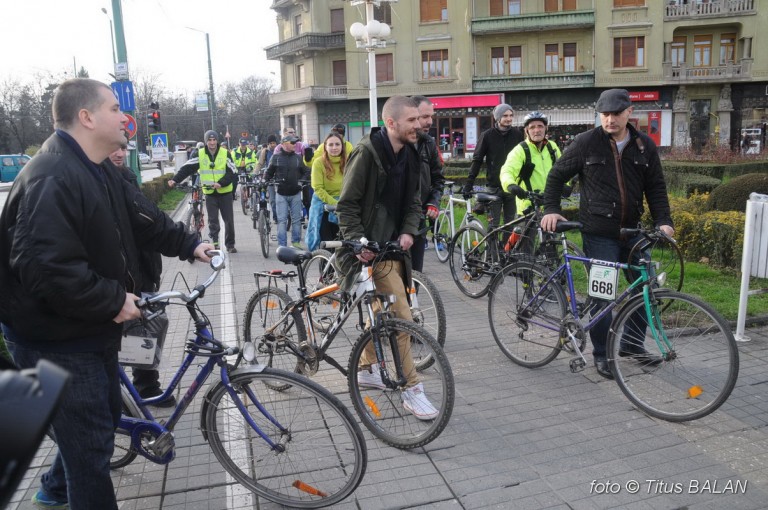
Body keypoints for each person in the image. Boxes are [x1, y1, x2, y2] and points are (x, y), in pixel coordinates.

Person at [0, 78, 213, 509]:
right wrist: (114, 301)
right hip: (54, 342)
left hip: (86, 329)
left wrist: (190, 244)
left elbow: (144, 218)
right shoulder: (52, 177)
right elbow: (47, 269)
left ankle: (53, 491)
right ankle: (67, 490)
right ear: (87, 117)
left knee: (97, 425)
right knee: (90, 453)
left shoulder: (98, 168)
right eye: (115, 108)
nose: (124, 117)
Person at [540, 88, 674, 379]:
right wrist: (551, 209)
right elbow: (556, 176)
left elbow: (656, 188)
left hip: (633, 231)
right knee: (604, 296)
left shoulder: (644, 146)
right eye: (605, 114)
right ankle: (601, 354)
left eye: (616, 114)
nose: (610, 119)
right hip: (599, 232)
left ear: (628, 113)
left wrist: (664, 220)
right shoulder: (585, 143)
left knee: (647, 288)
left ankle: (631, 344)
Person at [335, 95, 438, 420]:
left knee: (379, 315)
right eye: (412, 120)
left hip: (393, 249)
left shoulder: (409, 153)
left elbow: (414, 202)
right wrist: (357, 240)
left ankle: (366, 369)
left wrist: (409, 231)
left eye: (421, 120)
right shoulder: (366, 153)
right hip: (367, 251)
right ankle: (411, 389)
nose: (419, 125)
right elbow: (347, 205)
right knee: (402, 320)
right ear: (391, 123)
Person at [106, 145, 176, 408]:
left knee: (146, 328)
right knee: (117, 337)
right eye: (115, 148)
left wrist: (186, 245)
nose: (119, 153)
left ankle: (147, 386)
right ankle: (120, 394)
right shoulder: (96, 183)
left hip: (144, 268)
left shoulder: (127, 177)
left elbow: (153, 224)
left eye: (123, 148)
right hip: (119, 276)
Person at [499, 111, 562, 254]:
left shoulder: (552, 148)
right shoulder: (521, 150)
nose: (536, 130)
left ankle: (549, 273)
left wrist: (567, 185)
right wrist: (511, 185)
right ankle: (522, 273)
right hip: (528, 205)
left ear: (546, 129)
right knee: (526, 249)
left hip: (549, 204)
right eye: (532, 127)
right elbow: (507, 170)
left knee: (551, 245)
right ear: (526, 130)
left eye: (540, 126)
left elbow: (563, 169)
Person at [463, 103, 524, 247]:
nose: (509, 119)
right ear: (497, 118)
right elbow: (477, 160)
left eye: (511, 116)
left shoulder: (517, 134)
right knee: (494, 226)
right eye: (505, 116)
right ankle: (491, 256)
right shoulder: (487, 136)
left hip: (511, 186)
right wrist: (468, 184)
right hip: (494, 187)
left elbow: (524, 159)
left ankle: (505, 253)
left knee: (510, 224)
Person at [168, 130, 238, 253]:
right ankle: (215, 244)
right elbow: (187, 168)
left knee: (228, 220)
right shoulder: (200, 154)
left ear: (217, 141)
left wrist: (221, 183)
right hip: (210, 193)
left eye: (214, 140)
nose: (212, 142)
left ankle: (230, 244)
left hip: (225, 192)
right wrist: (175, 180)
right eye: (209, 140)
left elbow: (232, 172)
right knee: (213, 221)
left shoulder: (225, 153)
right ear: (206, 141)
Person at [410, 95, 445, 272]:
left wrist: (433, 201)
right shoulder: (393, 143)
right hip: (392, 227)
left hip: (418, 222)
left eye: (431, 116)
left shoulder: (429, 143)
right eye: (425, 117)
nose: (430, 121)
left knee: (415, 279)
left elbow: (438, 180)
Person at [265, 134, 311, 248]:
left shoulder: (298, 157)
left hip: (296, 193)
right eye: (292, 143)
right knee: (281, 221)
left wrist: (302, 181)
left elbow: (306, 171)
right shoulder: (275, 157)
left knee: (296, 219)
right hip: (281, 194)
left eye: (295, 143)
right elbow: (269, 173)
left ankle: (295, 242)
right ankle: (282, 245)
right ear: (284, 144)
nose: (295, 145)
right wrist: (265, 181)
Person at [306, 132, 347, 250]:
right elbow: (318, 188)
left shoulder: (349, 161)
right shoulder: (318, 162)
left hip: (343, 205)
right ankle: (325, 266)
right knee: (327, 243)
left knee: (344, 244)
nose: (334, 147)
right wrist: (334, 203)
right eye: (331, 145)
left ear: (342, 146)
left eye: (337, 144)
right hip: (323, 205)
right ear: (325, 146)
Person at [259, 134, 279, 225]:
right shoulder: (265, 152)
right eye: (270, 143)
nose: (272, 145)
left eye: (274, 143)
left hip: (279, 178)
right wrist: (255, 173)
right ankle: (275, 217)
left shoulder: (279, 150)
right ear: (268, 144)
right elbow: (260, 164)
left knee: (280, 199)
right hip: (269, 177)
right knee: (272, 200)